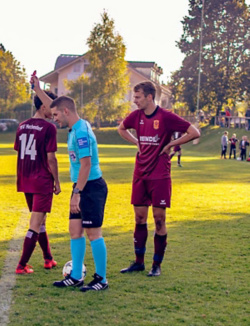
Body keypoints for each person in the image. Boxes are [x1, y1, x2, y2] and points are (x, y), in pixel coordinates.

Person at [31, 78, 109, 292]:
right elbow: (53, 104)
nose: (53, 118)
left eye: (56, 115)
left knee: (93, 233)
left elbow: (86, 165)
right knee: (75, 231)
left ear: (66, 112)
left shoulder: (81, 133)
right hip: (82, 186)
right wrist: (38, 89)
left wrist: (77, 193)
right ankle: (75, 276)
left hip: (90, 188)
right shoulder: (76, 125)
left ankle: (101, 280)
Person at [117, 81, 198, 277]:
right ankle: (138, 263)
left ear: (149, 97)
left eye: (137, 97)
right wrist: (136, 141)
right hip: (140, 174)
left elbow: (194, 132)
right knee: (139, 218)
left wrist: (171, 143)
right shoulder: (136, 116)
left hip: (160, 175)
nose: (134, 101)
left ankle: (156, 265)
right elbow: (121, 129)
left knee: (159, 220)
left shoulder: (166, 116)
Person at [14, 89, 60, 275]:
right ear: (43, 106)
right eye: (52, 107)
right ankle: (21, 265)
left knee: (40, 221)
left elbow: (20, 152)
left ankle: (48, 258)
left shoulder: (22, 126)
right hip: (41, 180)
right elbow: (51, 158)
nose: (54, 112)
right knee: (35, 223)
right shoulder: (49, 128)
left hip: (25, 179)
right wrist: (56, 180)